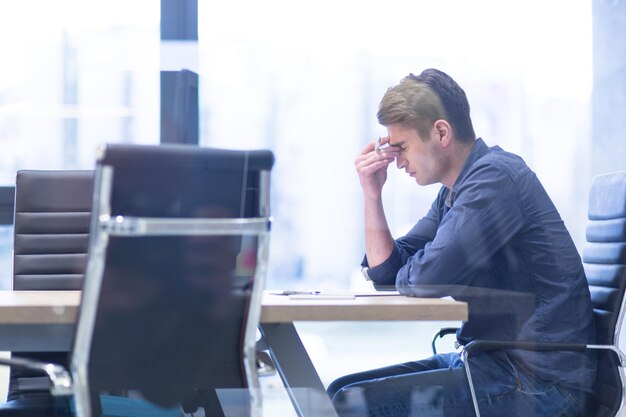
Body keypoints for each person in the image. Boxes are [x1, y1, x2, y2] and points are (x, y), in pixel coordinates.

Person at [327, 69, 596, 417]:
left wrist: (410, 270)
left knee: (349, 403)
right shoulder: (454, 193)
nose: (397, 161)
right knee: (338, 392)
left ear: (440, 132)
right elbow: (387, 272)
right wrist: (372, 194)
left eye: (402, 146)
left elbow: (424, 279)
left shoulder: (495, 180)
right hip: (494, 362)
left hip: (543, 384)